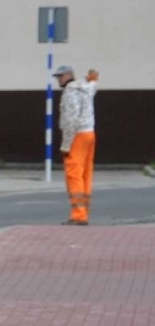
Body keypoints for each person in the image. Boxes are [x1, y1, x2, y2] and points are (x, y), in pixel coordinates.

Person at [56, 65, 100, 225]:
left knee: (74, 174)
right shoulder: (85, 87)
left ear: (68, 76)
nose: (58, 80)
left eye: (60, 76)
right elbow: (93, 88)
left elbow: (70, 120)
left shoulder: (70, 92)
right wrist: (93, 79)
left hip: (77, 136)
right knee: (86, 174)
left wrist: (65, 145)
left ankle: (78, 215)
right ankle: (84, 212)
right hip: (90, 134)